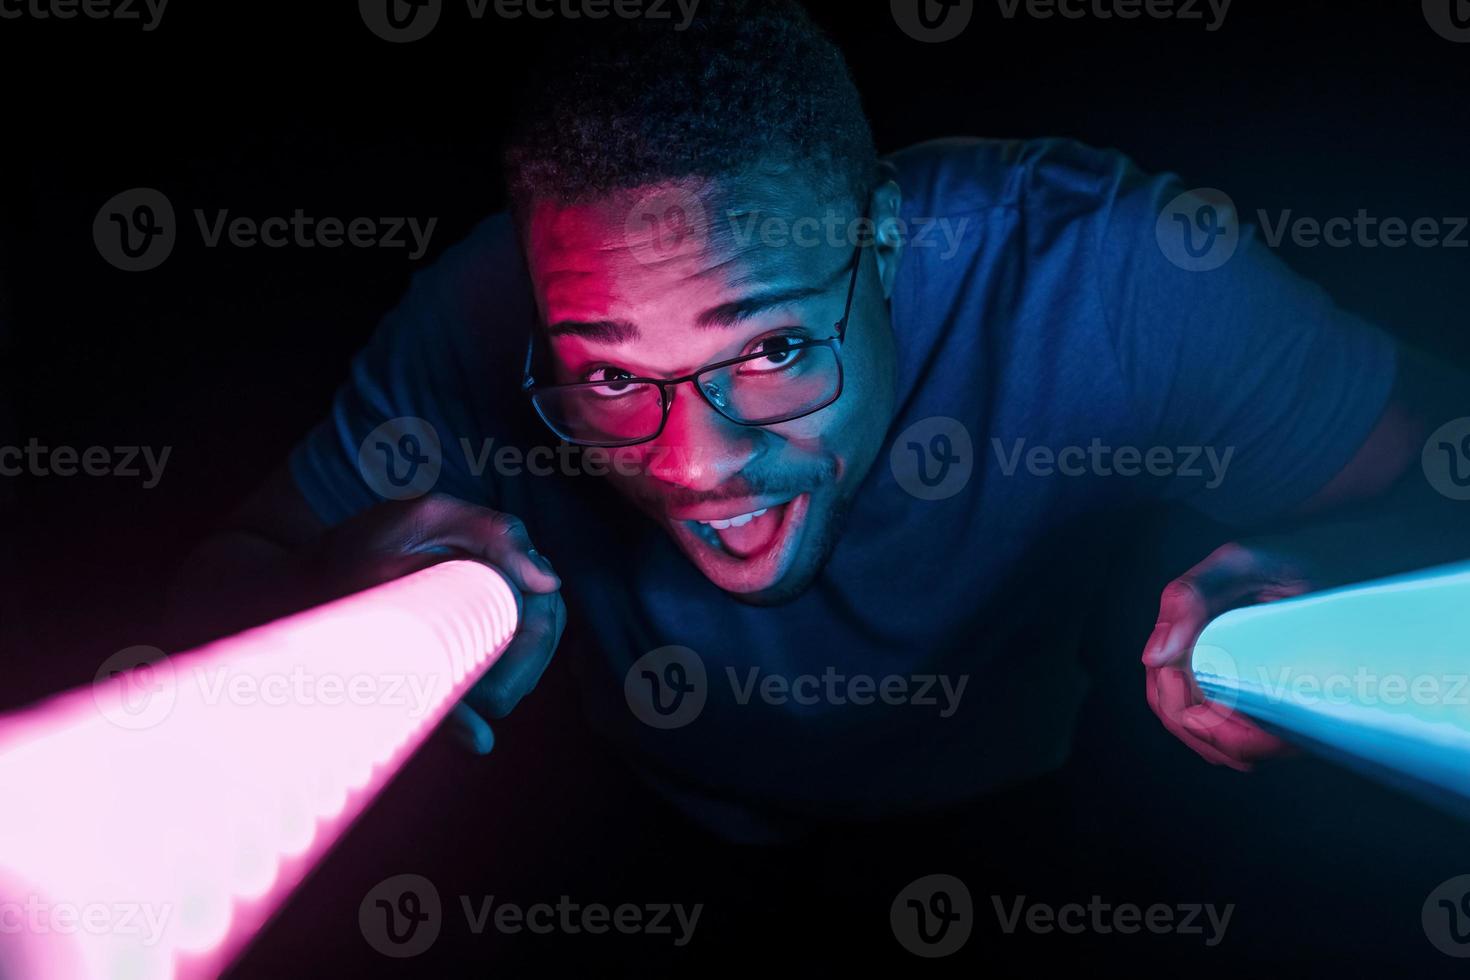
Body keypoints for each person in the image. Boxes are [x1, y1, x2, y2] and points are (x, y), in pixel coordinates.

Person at [177, 0, 1462, 845]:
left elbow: (1443, 462)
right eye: (612, 377)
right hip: (635, 828)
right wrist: (330, 594)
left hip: (1014, 823)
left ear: (886, 246)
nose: (695, 464)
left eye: (776, 348)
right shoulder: (479, 308)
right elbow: (203, 592)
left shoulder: (1111, 274)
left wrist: (1324, 588)